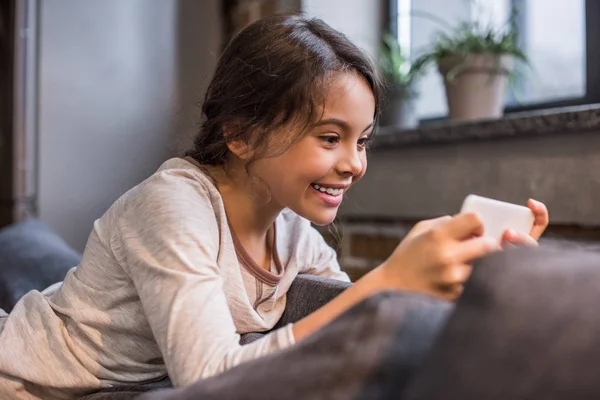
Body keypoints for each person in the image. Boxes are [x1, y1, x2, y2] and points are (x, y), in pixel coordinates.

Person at [0, 13, 549, 400]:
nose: (355, 164)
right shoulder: (172, 206)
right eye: (330, 137)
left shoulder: (294, 234)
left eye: (362, 141)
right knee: (28, 252)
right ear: (239, 135)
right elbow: (210, 378)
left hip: (124, 371)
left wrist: (471, 279)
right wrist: (388, 281)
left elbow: (347, 327)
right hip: (28, 378)